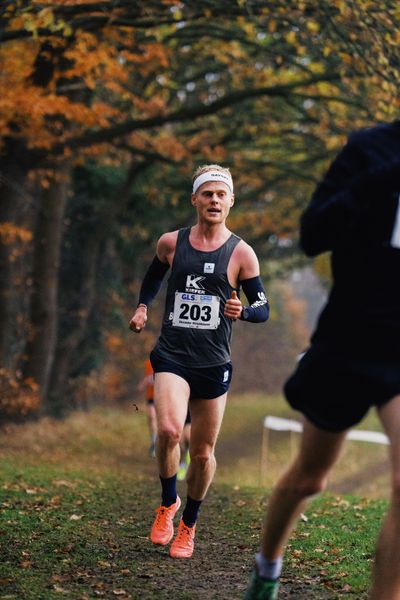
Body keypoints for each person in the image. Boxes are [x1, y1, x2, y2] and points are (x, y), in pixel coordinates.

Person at [244, 120, 400, 599]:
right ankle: (268, 567)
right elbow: (312, 234)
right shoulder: (370, 150)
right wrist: (385, 177)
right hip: (351, 338)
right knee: (310, 477)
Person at [129, 164, 269, 559]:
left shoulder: (241, 252)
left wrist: (245, 311)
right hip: (172, 354)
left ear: (230, 202)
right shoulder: (172, 243)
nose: (214, 200)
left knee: (204, 453)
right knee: (171, 431)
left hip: (213, 362)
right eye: (207, 194)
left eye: (221, 195)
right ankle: (167, 503)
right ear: (195, 200)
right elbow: (153, 277)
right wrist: (142, 307)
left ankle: (188, 524)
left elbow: (263, 306)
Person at [137, 358, 157, 457]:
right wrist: (142, 384)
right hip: (151, 397)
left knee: (161, 421)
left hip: (163, 397)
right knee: (152, 417)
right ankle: (154, 441)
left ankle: (159, 442)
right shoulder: (148, 363)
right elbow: (145, 378)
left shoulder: (168, 361)